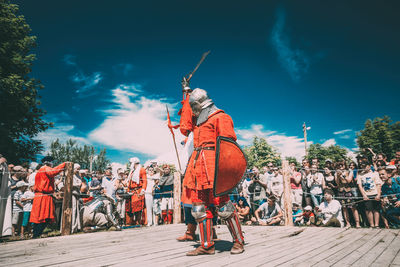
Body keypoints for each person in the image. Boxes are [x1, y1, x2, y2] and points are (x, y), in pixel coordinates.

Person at [180, 87, 245, 256]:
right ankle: (207, 245)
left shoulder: (221, 118)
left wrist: (225, 174)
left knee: (223, 206)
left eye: (194, 106)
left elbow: (228, 149)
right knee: (198, 207)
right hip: (198, 167)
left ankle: (239, 241)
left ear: (202, 104)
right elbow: (185, 121)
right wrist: (186, 92)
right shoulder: (198, 123)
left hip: (213, 167)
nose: (193, 110)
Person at [30, 156, 66, 238]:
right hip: (43, 196)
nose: (52, 163)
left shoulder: (42, 169)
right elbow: (53, 172)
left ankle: (36, 234)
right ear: (49, 162)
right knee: (43, 216)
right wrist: (64, 164)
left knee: (41, 216)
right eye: (51, 161)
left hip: (43, 195)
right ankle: (36, 234)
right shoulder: (45, 168)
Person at [357, 161, 382, 228]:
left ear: (369, 166)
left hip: (375, 193)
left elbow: (378, 184)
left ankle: (377, 224)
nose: (363, 167)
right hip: (366, 194)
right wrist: (364, 195)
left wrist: (378, 194)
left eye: (365, 166)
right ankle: (371, 224)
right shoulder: (360, 175)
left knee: (376, 209)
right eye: (362, 166)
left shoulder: (375, 173)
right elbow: (360, 186)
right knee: (368, 210)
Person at [335, 162, 360, 228]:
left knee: (353, 207)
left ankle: (357, 223)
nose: (340, 167)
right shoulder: (336, 173)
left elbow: (349, 181)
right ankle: (348, 223)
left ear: (345, 165)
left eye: (342, 165)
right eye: (339, 165)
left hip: (348, 191)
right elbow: (337, 183)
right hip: (341, 192)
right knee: (344, 208)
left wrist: (343, 176)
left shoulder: (349, 171)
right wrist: (338, 176)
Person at [126, 157, 147, 226]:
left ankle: (138, 223)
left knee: (137, 207)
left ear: (134, 163)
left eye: (130, 163)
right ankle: (130, 223)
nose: (130, 164)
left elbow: (144, 181)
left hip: (138, 191)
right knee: (129, 207)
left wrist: (143, 190)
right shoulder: (132, 171)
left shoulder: (141, 170)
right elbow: (130, 182)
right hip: (131, 191)